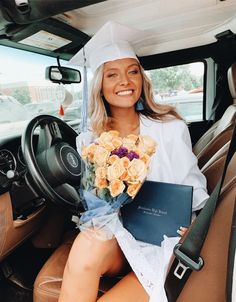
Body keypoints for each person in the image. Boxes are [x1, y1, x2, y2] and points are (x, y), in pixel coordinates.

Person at [58, 21, 209, 302]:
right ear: (100, 86)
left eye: (132, 72)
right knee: (86, 245)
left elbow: (193, 187)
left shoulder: (170, 127)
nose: (125, 82)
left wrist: (196, 226)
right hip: (116, 234)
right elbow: (92, 199)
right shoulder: (89, 139)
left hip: (161, 238)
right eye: (112, 74)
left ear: (142, 78)